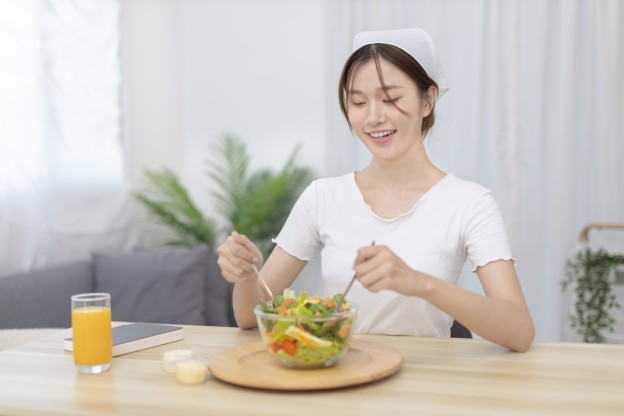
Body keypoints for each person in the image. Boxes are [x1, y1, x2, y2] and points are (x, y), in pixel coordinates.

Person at [217, 28, 535, 352]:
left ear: (428, 100)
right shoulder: (322, 197)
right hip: (340, 372)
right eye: (358, 102)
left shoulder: (469, 203)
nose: (373, 117)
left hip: (426, 379)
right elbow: (248, 318)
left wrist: (419, 283)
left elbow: (519, 331)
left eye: (391, 99)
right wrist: (246, 276)